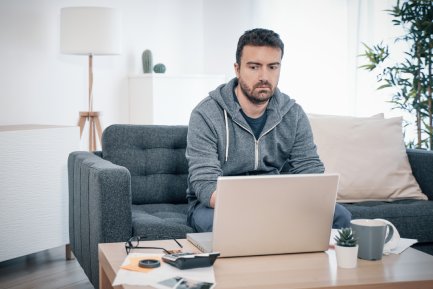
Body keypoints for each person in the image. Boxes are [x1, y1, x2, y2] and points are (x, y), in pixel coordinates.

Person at [185, 28, 351, 232]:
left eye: (272, 67)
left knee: (340, 215)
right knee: (222, 225)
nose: (264, 76)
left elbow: (309, 170)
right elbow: (205, 184)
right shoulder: (206, 114)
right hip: (218, 205)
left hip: (277, 201)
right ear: (237, 69)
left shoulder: (293, 114)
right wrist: (260, 209)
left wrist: (306, 200)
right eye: (254, 67)